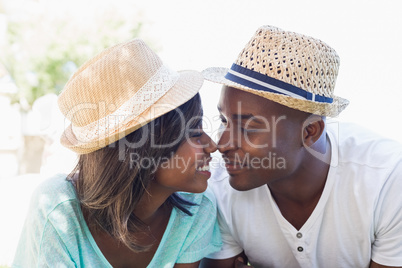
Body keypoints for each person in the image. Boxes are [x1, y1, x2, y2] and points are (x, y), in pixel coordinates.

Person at [200, 25, 402, 268]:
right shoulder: (219, 189)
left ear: (309, 132)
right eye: (224, 120)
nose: (221, 144)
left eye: (249, 128)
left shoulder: (387, 180)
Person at [12, 39, 222, 268]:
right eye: (194, 132)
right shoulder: (58, 209)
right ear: (146, 149)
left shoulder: (197, 208)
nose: (213, 145)